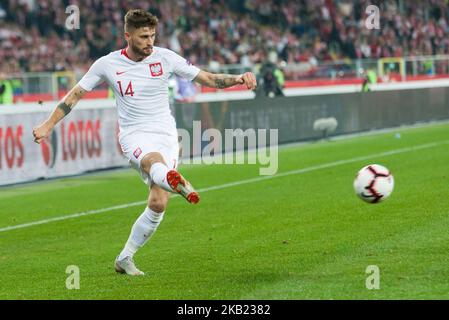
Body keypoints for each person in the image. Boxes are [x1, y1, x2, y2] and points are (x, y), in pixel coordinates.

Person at [32, 9, 257, 276]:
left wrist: (238, 79)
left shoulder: (165, 58)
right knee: (153, 163)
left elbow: (207, 78)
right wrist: (48, 124)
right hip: (133, 134)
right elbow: (75, 94)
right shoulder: (107, 64)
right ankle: (175, 179)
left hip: (166, 135)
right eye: (143, 37)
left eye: (152, 35)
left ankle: (124, 258)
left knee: (158, 203)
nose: (150, 41)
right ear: (127, 36)